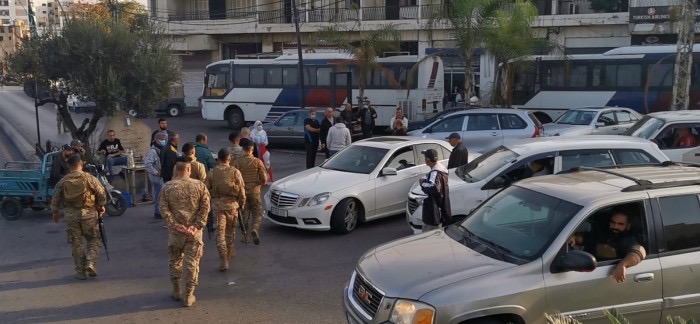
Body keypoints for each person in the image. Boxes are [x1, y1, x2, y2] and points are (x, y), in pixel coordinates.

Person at [159, 156, 211, 307]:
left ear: (176, 169)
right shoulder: (200, 186)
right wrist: (197, 225)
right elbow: (205, 207)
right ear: (189, 169)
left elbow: (163, 208)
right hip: (194, 232)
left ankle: (176, 289)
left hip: (176, 233)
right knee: (192, 262)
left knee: (175, 261)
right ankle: (188, 295)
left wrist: (174, 224)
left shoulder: (167, 187)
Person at [50, 154, 107, 280]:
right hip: (89, 214)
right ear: (81, 164)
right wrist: (102, 205)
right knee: (93, 239)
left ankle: (80, 272)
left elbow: (55, 198)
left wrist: (55, 212)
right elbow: (101, 192)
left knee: (76, 243)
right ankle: (91, 263)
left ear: (69, 166)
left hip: (71, 215)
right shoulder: (89, 178)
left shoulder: (64, 180)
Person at [567, 211, 647, 283]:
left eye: (620, 224)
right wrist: (574, 238)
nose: (615, 226)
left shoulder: (629, 239)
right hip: (587, 273)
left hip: (607, 277)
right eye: (613, 222)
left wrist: (622, 265)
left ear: (628, 226)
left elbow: (640, 251)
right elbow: (584, 238)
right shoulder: (603, 233)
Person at [205, 149, 246, 271]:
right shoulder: (235, 172)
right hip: (233, 206)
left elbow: (206, 190)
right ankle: (229, 252)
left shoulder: (212, 173)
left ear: (218, 158)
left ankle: (223, 259)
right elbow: (242, 191)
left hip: (218, 207)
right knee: (230, 231)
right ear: (229, 158)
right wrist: (242, 204)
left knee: (220, 234)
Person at [232, 138, 267, 245]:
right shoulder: (257, 162)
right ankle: (255, 229)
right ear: (252, 149)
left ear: (243, 149)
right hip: (255, 191)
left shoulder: (237, 163)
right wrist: (259, 184)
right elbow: (264, 179)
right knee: (257, 212)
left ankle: (245, 236)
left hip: (242, 192)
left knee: (244, 213)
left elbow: (233, 178)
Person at [419, 149, 451, 232]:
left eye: (425, 158)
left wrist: (422, 183)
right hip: (437, 210)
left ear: (428, 160)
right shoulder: (440, 169)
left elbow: (434, 188)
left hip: (434, 212)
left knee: (430, 235)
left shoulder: (436, 172)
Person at [146, 133, 167, 219]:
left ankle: (158, 212)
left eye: (164, 139)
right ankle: (158, 212)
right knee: (159, 194)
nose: (163, 141)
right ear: (156, 140)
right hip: (156, 177)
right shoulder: (153, 151)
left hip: (160, 175)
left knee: (159, 194)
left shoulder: (161, 149)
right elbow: (147, 164)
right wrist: (156, 172)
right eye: (161, 139)